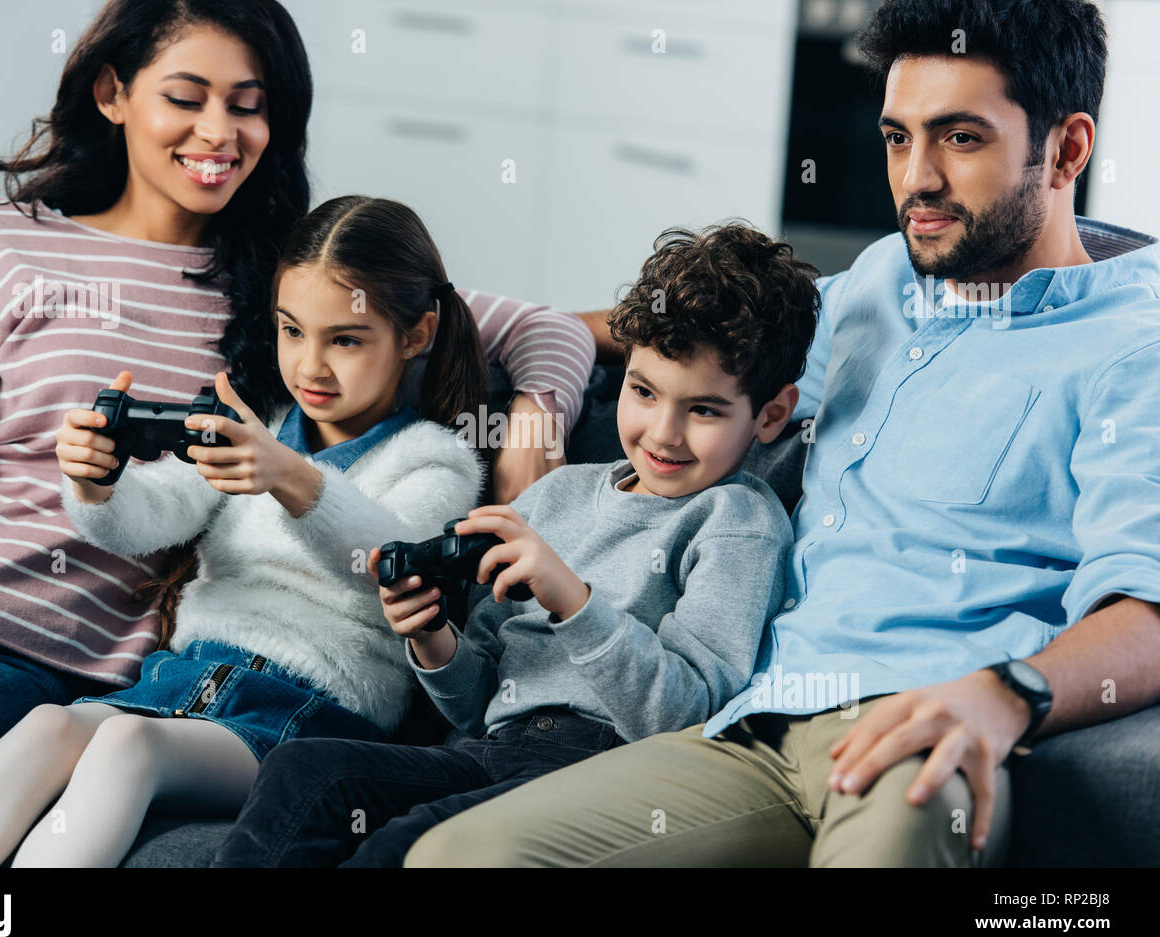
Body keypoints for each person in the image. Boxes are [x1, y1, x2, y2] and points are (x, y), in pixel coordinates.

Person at [404, 0, 1160, 867]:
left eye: (959, 139)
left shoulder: (1135, 350)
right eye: (896, 137)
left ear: (1066, 149)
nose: (915, 180)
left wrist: (1007, 694)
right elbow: (673, 330)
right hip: (749, 725)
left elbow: (1145, 611)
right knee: (457, 859)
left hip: (913, 734)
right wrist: (540, 387)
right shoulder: (883, 280)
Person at [0, 0, 594, 867]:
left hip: (130, 679)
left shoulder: (287, 278)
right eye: (188, 96)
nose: (220, 131)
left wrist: (533, 421)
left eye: (248, 104)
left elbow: (530, 325)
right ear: (111, 91)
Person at [0, 195, 494, 867]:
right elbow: (151, 514)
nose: (311, 366)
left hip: (304, 716)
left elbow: (385, 556)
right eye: (293, 331)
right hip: (182, 679)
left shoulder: (435, 459)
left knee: (127, 747)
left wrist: (288, 475)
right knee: (48, 725)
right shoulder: (257, 423)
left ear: (417, 333)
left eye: (345, 340)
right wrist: (98, 482)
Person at [209, 221, 816, 866]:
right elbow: (476, 704)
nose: (662, 433)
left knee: (401, 847)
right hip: (489, 752)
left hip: (606, 774)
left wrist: (574, 602)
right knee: (304, 770)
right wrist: (433, 637)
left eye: (704, 411)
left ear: (772, 415)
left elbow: (687, 714)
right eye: (642, 392)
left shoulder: (737, 519)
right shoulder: (557, 498)